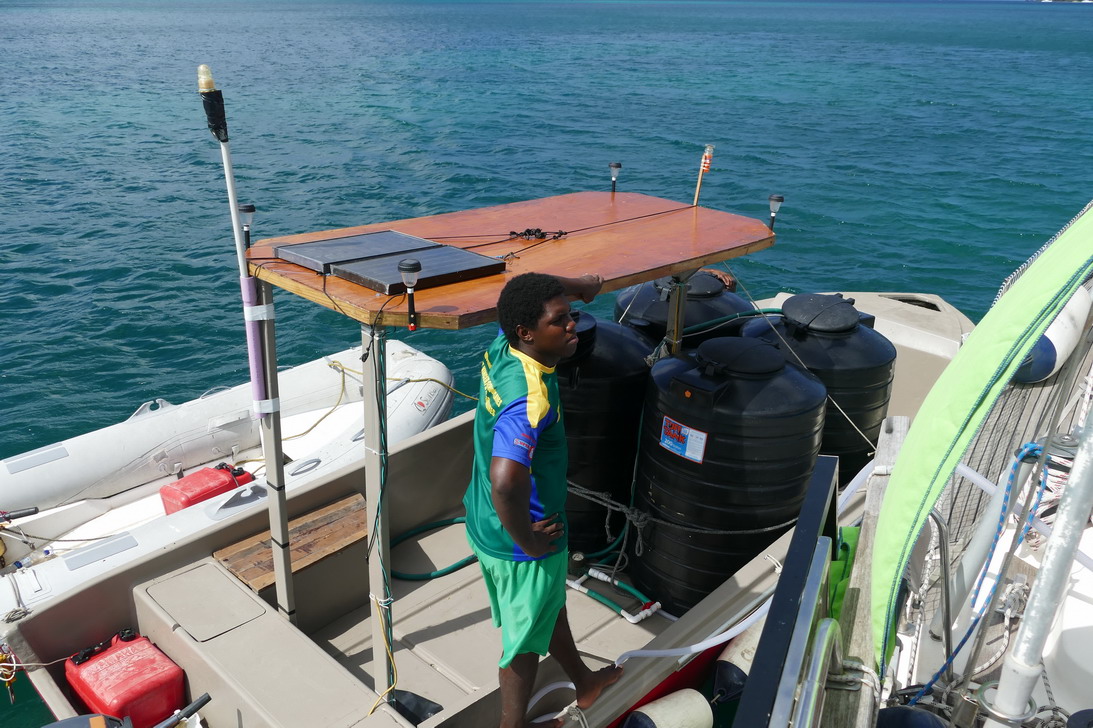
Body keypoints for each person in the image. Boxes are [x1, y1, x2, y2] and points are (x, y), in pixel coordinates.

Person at [464, 271, 622, 728]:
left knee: (548, 606)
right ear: (528, 332)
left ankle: (585, 683)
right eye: (561, 321)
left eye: (571, 315)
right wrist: (529, 543)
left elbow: (520, 292)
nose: (573, 324)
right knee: (523, 645)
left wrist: (581, 285)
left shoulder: (504, 347)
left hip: (484, 518)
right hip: (522, 537)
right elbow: (506, 481)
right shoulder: (529, 396)